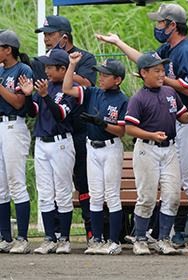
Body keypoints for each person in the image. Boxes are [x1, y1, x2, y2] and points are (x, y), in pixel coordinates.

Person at [95, 3, 188, 248]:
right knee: (157, 190)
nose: (157, 27)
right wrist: (120, 44)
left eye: (160, 23)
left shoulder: (185, 50)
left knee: (187, 181)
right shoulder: (168, 47)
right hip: (162, 125)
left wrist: (159, 78)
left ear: (173, 25)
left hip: (181, 119)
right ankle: (151, 236)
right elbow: (145, 61)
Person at [33, 15, 97, 240]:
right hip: (52, 131)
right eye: (44, 35)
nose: (46, 39)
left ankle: (92, 232)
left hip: (79, 130)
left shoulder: (85, 57)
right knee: (54, 185)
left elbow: (88, 84)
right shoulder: (44, 62)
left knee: (83, 182)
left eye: (50, 34)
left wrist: (67, 68)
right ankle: (57, 234)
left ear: (64, 37)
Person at [124, 52, 188, 255]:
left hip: (169, 148)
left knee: (172, 196)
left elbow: (180, 117)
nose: (161, 74)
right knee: (146, 197)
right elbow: (129, 129)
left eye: (163, 70)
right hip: (147, 148)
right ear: (143, 73)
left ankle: (163, 238)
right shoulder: (138, 98)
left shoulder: (170, 92)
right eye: (156, 70)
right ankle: (140, 239)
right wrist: (151, 134)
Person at [62, 52, 129, 255]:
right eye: (99, 74)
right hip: (92, 147)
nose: (100, 78)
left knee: (112, 195)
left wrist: (102, 123)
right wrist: (72, 65)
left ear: (117, 80)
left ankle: (114, 242)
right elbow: (66, 88)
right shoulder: (93, 92)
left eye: (105, 75)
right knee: (96, 196)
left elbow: (121, 131)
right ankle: (97, 240)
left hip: (111, 147)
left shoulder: (122, 99)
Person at [19, 49, 77, 254]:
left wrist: (44, 95)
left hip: (61, 143)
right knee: (44, 193)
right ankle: (49, 238)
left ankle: (65, 239)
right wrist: (28, 96)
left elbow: (61, 114)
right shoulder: (46, 86)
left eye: (50, 67)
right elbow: (32, 112)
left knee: (62, 192)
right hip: (42, 143)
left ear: (63, 69)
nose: (46, 71)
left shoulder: (70, 88)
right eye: (45, 67)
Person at [0, 29, 33, 254]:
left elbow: (20, 103)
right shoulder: (1, 70)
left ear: (8, 49)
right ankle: (5, 237)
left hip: (14, 125)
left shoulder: (22, 69)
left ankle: (22, 238)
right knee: (1, 187)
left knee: (15, 182)